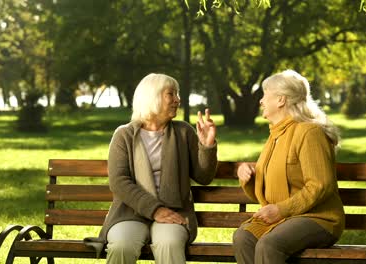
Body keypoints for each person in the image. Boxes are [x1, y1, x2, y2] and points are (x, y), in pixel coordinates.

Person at [84, 73, 217, 264]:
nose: (177, 100)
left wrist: (207, 146)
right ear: (152, 97)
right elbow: (119, 181)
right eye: (171, 94)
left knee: (169, 244)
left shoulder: (184, 132)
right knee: (122, 246)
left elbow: (204, 177)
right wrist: (155, 210)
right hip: (130, 212)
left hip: (174, 211)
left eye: (177, 94)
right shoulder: (124, 135)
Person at [232, 70, 345, 264]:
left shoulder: (309, 132)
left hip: (318, 219)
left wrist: (281, 210)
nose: (261, 101)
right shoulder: (275, 135)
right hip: (285, 218)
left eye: (265, 95)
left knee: (269, 244)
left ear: (281, 100)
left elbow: (320, 185)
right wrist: (248, 177)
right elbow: (269, 191)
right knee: (243, 238)